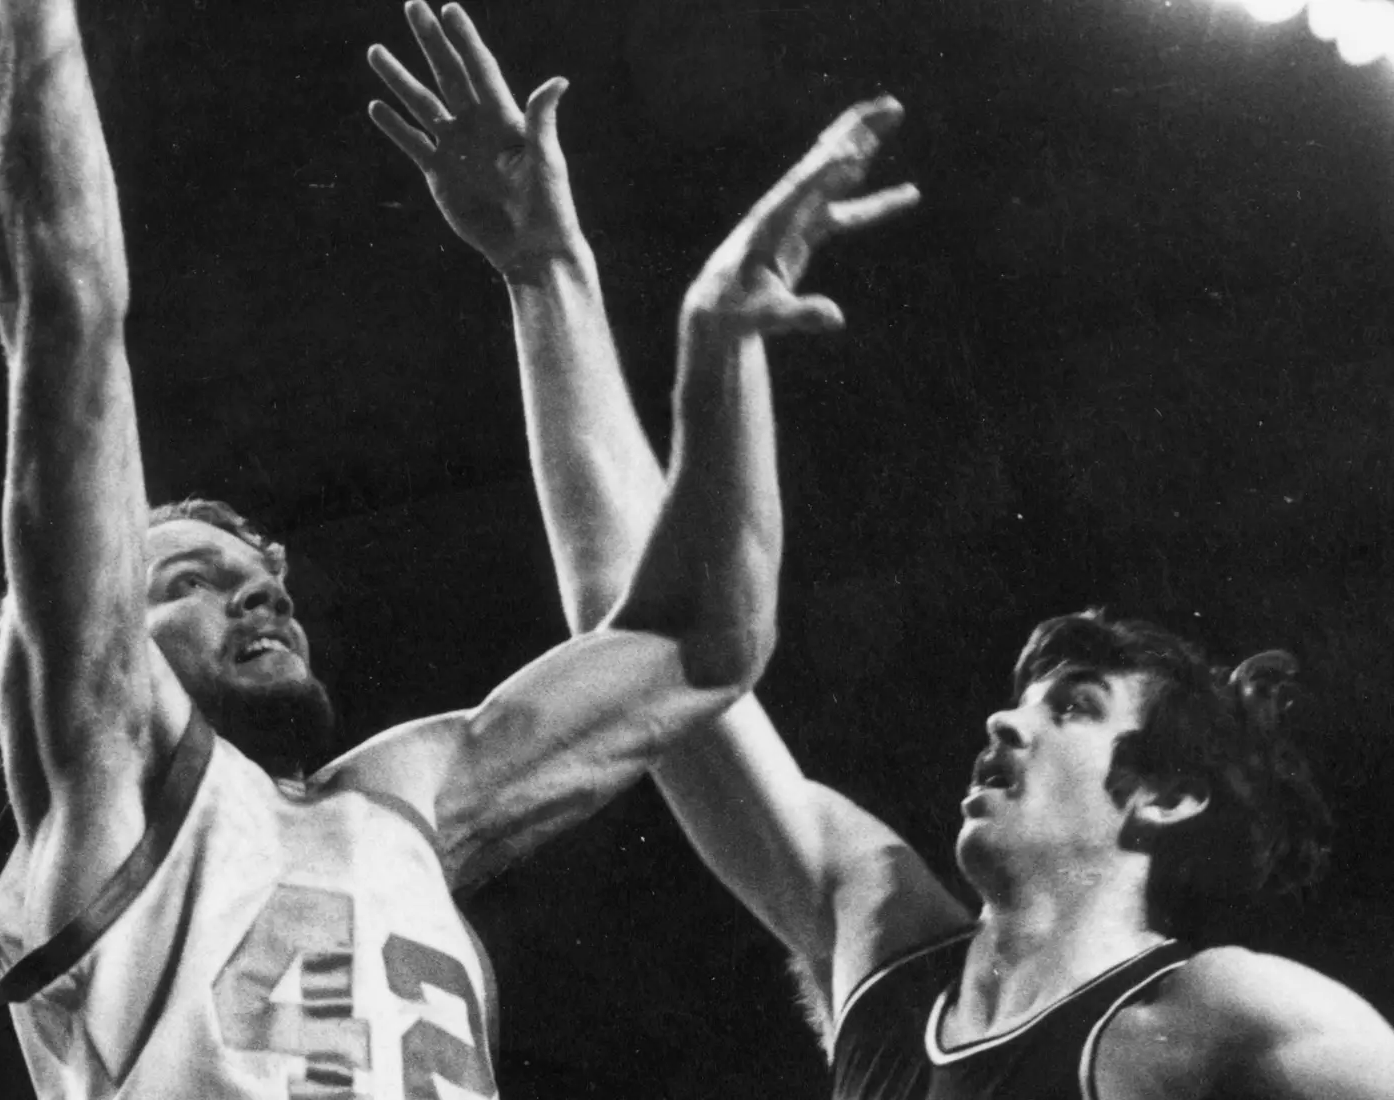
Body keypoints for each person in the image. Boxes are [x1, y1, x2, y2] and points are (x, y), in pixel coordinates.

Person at [368, 10, 1394, 1094]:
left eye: (1076, 704)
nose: (1006, 716)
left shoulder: (1237, 1017)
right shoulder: (875, 930)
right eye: (1028, 694)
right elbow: (641, 652)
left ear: (1167, 794)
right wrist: (549, 275)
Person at [0, 0, 783, 1096]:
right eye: (191, 580)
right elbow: (62, 309)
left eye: (260, 581)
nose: (258, 597)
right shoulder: (107, 782)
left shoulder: (401, 798)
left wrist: (552, 271)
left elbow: (706, 639)